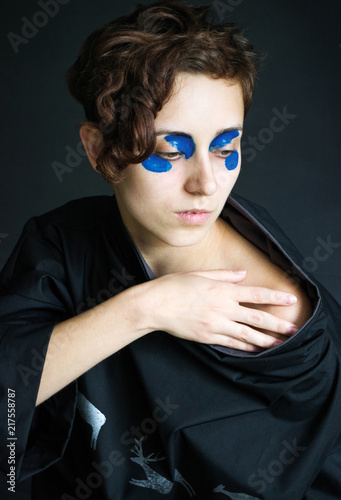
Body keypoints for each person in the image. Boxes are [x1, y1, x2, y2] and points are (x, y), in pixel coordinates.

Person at [0, 1, 340, 498]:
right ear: (97, 150)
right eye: (169, 153)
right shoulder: (61, 242)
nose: (206, 183)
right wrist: (147, 307)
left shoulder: (279, 316)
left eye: (227, 149)